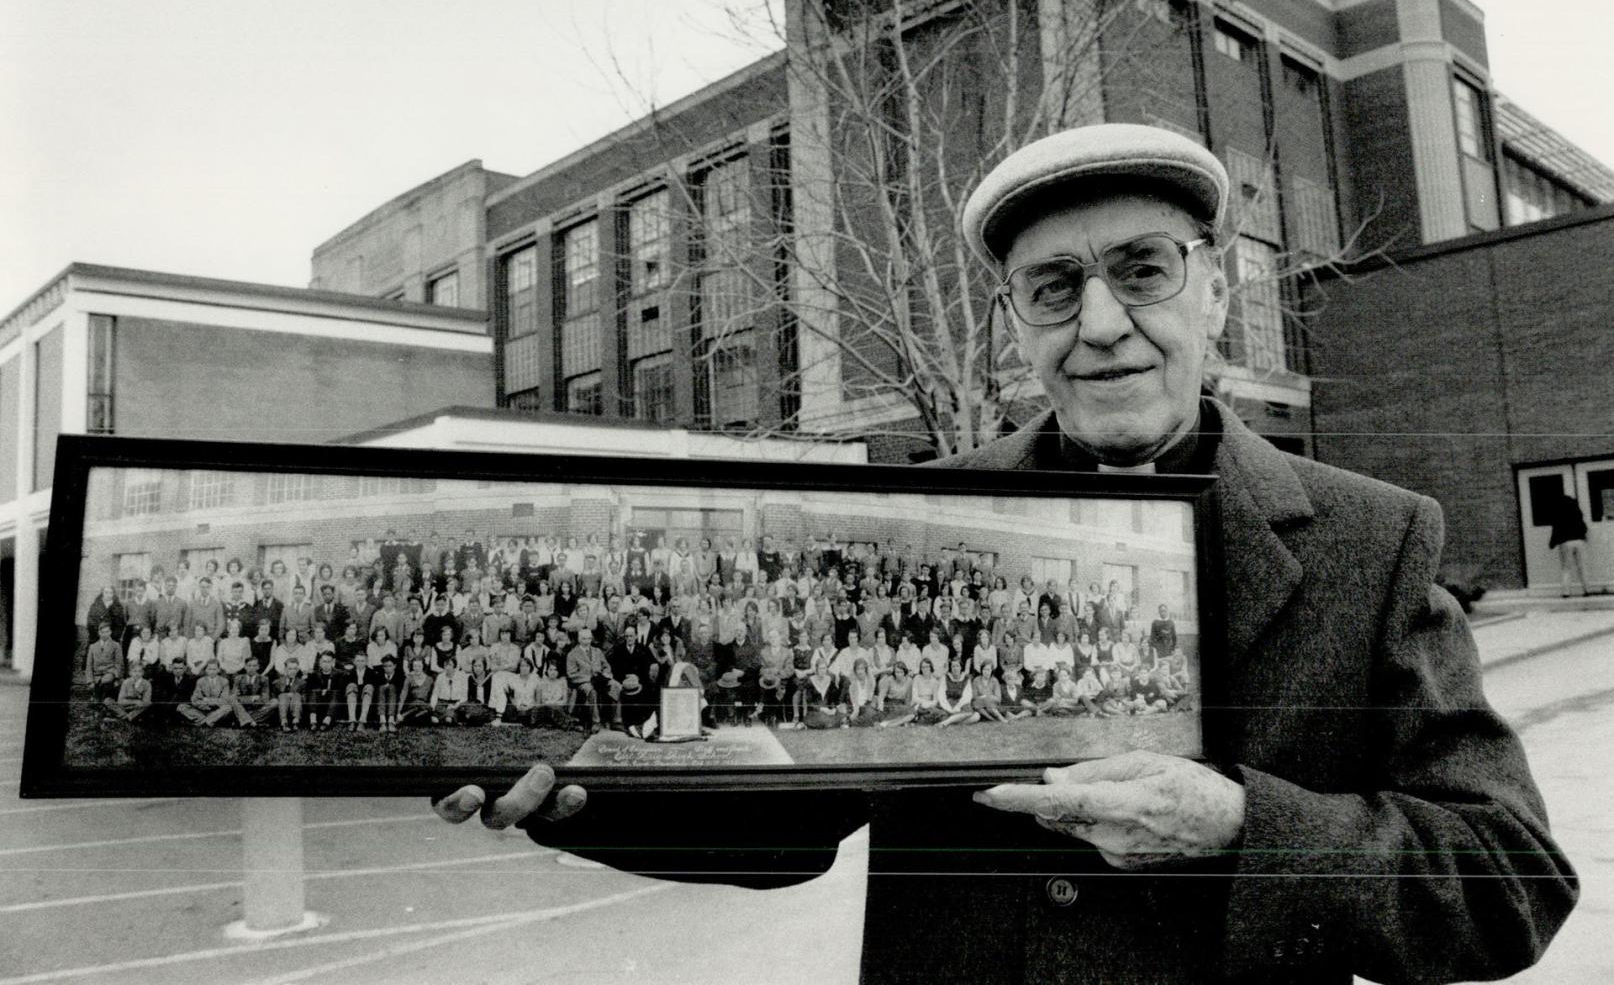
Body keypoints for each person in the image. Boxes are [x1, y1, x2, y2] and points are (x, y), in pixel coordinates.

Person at [434, 124, 1575, 984]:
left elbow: (1507, 881)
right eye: (1054, 288)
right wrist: (581, 795)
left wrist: (1236, 827)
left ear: (1215, 290)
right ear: (1014, 323)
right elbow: (793, 817)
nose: (1102, 322)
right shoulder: (912, 527)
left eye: (1143, 269)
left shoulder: (1372, 542)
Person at [1546, 490, 1594, 597]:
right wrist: (1583, 536)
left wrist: (1552, 543)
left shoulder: (1558, 512)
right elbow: (1583, 526)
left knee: (1566, 568)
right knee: (1582, 566)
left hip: (1565, 542)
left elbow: (1556, 530)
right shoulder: (1576, 511)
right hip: (1579, 540)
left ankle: (1566, 592)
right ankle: (1587, 590)